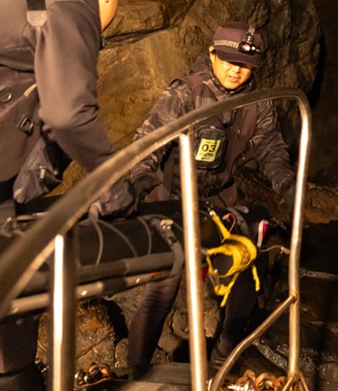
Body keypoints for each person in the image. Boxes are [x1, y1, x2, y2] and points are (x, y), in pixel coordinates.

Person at [0, 0, 130, 391]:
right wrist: (118, 185)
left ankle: (13, 379)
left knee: (10, 273)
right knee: (4, 275)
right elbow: (70, 115)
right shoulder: (69, 8)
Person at [108, 22, 296, 378]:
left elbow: (271, 148)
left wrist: (287, 183)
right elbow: (149, 141)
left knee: (245, 264)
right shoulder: (186, 92)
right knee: (162, 289)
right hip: (172, 199)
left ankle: (224, 352)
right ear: (212, 54)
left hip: (217, 201)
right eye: (226, 60)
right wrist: (140, 183)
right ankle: (136, 372)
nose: (234, 69)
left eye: (243, 64)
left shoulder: (258, 102)